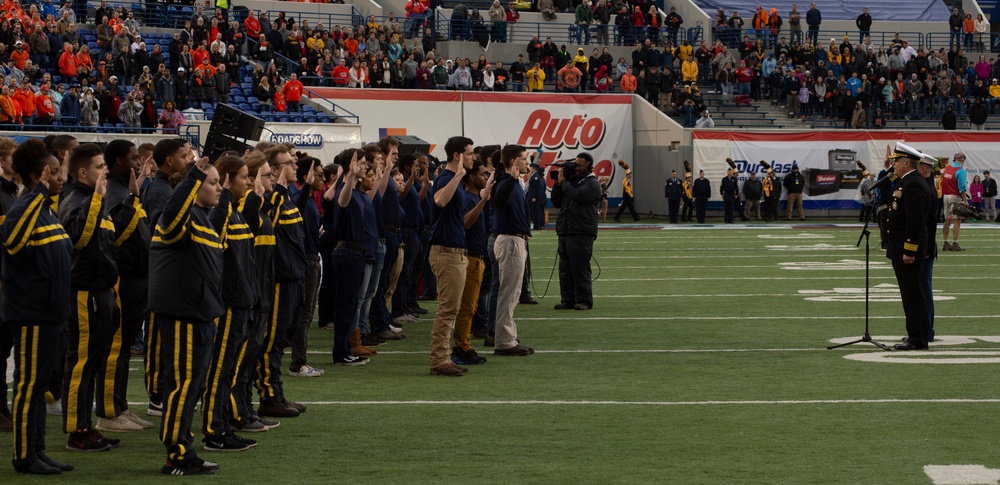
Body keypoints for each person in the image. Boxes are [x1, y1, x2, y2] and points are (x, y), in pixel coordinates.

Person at [149, 152, 224, 475]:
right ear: (194, 188)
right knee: (181, 384)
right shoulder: (179, 219)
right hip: (183, 314)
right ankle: (177, 453)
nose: (220, 188)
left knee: (193, 385)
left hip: (202, 312)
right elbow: (171, 213)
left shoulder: (203, 218)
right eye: (213, 182)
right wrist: (194, 174)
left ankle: (185, 445)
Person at [4, 140, 74, 475]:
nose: (62, 177)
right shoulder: (25, 207)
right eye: (54, 172)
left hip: (50, 313)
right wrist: (38, 193)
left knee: (40, 385)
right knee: (28, 385)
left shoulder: (46, 210)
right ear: (38, 175)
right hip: (31, 313)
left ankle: (38, 449)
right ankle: (23, 455)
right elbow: (12, 240)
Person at [59, 144, 122, 450]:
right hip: (84, 293)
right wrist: (97, 198)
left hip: (102, 291)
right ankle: (77, 429)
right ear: (83, 172)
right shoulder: (77, 200)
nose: (105, 171)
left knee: (93, 362)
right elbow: (80, 239)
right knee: (81, 363)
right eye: (99, 167)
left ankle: (86, 424)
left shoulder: (94, 200)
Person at [199, 155, 259, 452]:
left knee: (228, 371)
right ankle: (214, 430)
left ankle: (222, 424)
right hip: (228, 306)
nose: (249, 182)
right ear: (227, 180)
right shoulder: (220, 214)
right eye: (244, 177)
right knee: (218, 371)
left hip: (240, 304)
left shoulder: (235, 212)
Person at [100, 141, 154, 434]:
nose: (137, 163)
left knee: (122, 350)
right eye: (134, 159)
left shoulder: (126, 190)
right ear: (119, 161)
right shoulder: (116, 192)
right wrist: (134, 198)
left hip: (136, 278)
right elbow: (117, 230)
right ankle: (108, 412)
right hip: (123, 278)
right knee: (116, 349)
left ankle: (119, 405)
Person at [427, 136, 474, 377]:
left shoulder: (452, 179)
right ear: (457, 156)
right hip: (446, 253)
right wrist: (458, 175)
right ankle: (438, 360)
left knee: (451, 309)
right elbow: (439, 200)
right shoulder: (446, 178)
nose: (473, 157)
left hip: (454, 252)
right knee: (447, 310)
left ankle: (443, 357)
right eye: (469, 153)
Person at [885, 143, 932, 351]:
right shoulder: (908, 181)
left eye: (896, 161)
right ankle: (915, 334)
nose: (893, 164)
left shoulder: (913, 184)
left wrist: (909, 249)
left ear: (906, 162)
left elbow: (915, 221)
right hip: (901, 248)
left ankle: (918, 338)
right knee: (911, 294)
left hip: (907, 251)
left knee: (913, 295)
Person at [491, 145, 534, 356]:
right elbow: (499, 201)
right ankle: (504, 341)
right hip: (509, 241)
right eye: (524, 159)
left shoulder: (510, 181)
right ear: (515, 161)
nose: (528, 163)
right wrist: (510, 178)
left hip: (514, 241)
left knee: (513, 292)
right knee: (508, 293)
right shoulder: (504, 182)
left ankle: (508, 337)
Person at [451, 156, 493, 366]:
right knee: (467, 307)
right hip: (470, 257)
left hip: (475, 257)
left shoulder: (473, 197)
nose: (485, 177)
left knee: (471, 305)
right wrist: (483, 201)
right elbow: (466, 222)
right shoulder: (470, 198)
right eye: (481, 174)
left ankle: (463, 344)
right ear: (471, 177)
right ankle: (461, 347)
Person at [550, 153, 601, 311]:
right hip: (566, 229)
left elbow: (578, 196)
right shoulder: (571, 182)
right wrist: (558, 184)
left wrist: (564, 182)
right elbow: (556, 202)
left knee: (580, 267)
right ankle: (568, 300)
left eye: (579, 165)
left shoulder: (592, 184)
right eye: (575, 165)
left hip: (581, 230)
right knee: (565, 268)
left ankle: (584, 300)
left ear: (589, 165)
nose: (576, 168)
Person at [915, 154, 939, 343]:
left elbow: (930, 225)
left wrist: (928, 249)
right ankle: (925, 328)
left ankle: (927, 330)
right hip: (927, 247)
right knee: (923, 287)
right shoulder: (928, 186)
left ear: (924, 168)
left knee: (924, 289)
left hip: (926, 248)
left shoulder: (928, 189)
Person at [941, 152, 969, 251]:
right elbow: (962, 188)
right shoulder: (960, 170)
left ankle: (945, 242)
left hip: (946, 196)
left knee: (947, 219)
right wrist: (965, 201)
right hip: (955, 196)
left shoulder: (947, 168)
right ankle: (955, 243)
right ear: (962, 160)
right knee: (957, 220)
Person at [526, 161, 546, 230]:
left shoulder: (535, 177)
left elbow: (536, 188)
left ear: (534, 169)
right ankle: (536, 225)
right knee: (533, 212)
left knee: (535, 212)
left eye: (531, 168)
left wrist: (534, 197)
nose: (530, 169)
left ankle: (536, 226)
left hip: (533, 198)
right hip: (531, 197)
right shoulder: (533, 176)